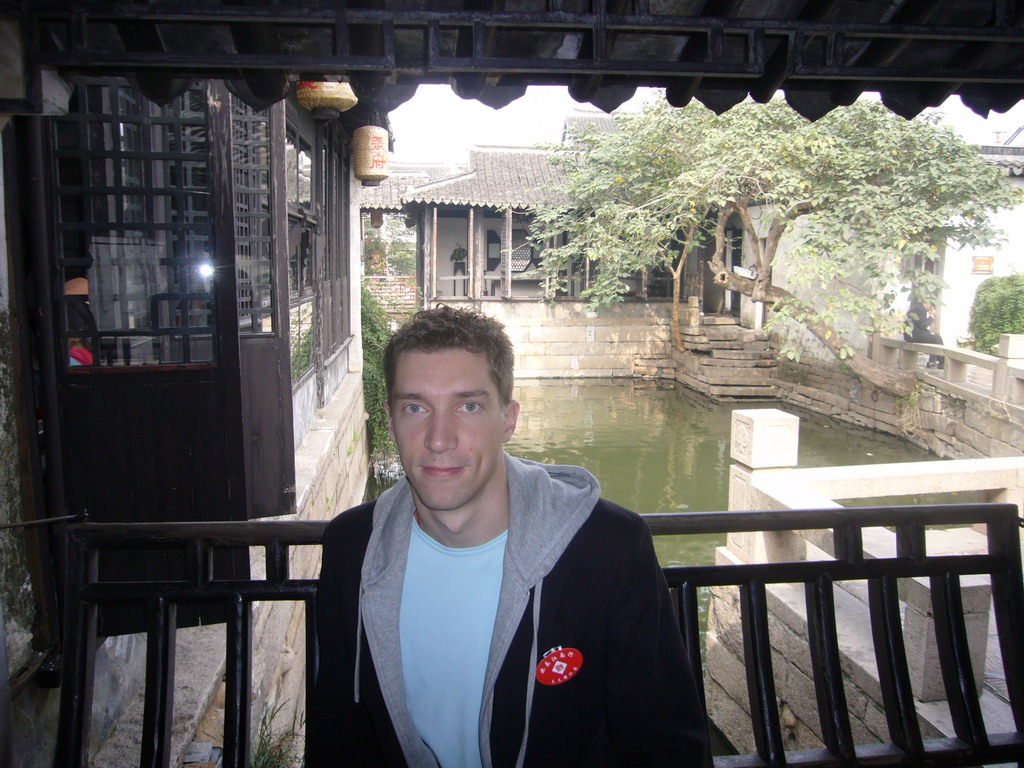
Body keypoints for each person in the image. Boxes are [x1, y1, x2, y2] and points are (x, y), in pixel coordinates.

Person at [307, 306, 708, 768]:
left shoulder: (609, 550)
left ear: (509, 419)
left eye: (469, 406)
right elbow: (338, 734)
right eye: (415, 407)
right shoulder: (352, 548)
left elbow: (666, 747)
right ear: (389, 420)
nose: (439, 439)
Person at [905, 298, 944, 369]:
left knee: (933, 338)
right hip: (913, 335)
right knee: (937, 338)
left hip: (910, 334)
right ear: (928, 304)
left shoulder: (917, 307)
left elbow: (919, 325)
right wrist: (931, 316)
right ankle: (942, 363)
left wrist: (928, 333)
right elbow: (923, 324)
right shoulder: (920, 309)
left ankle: (932, 361)